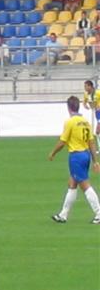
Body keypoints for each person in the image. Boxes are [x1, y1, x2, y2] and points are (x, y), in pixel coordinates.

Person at [49, 96, 100, 224]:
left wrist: (53, 153)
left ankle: (99, 213)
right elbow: (92, 142)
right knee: (72, 184)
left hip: (76, 156)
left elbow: (62, 141)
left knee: (85, 185)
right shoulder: (86, 122)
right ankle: (63, 214)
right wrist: (95, 161)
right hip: (86, 155)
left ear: (68, 108)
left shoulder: (70, 122)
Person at [83, 80, 100, 149]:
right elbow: (84, 102)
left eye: (86, 86)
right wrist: (85, 106)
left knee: (97, 130)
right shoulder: (86, 94)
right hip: (96, 113)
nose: (85, 88)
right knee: (97, 132)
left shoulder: (98, 92)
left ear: (90, 86)